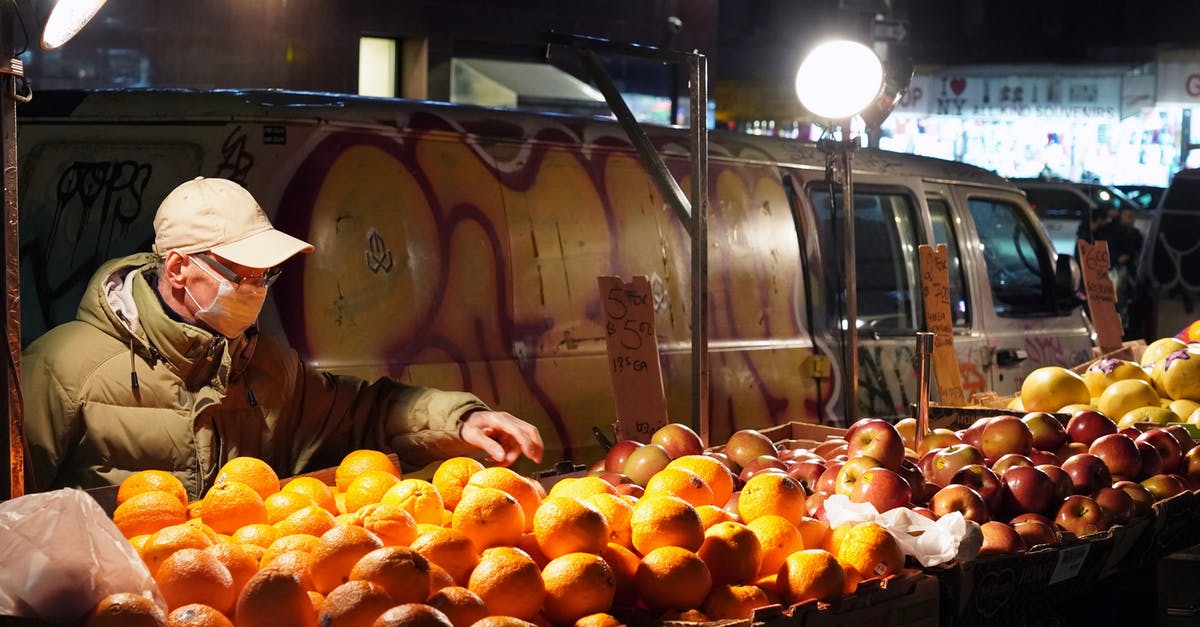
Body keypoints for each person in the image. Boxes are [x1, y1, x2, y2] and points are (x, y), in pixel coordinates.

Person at [22, 177, 543, 498]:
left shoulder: (268, 367)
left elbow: (364, 413)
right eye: (242, 273)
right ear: (178, 268)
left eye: (266, 275)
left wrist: (463, 418)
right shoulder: (61, 370)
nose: (257, 289)